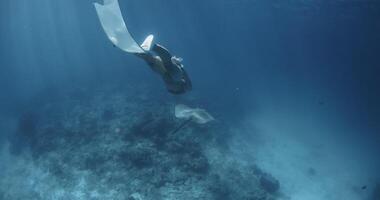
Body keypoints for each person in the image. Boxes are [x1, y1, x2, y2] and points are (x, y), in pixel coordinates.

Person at [93, 0, 192, 94]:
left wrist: (122, 44)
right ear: (179, 88)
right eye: (172, 89)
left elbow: (175, 75)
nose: (168, 88)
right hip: (171, 71)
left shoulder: (180, 83)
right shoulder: (179, 82)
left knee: (154, 60)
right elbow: (172, 75)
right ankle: (151, 47)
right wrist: (180, 69)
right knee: (164, 65)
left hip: (167, 70)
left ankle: (150, 46)